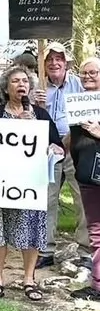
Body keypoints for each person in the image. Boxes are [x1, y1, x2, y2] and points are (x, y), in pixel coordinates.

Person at [0, 66, 63, 302]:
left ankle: (29, 279)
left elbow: (57, 146)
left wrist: (51, 147)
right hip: (0, 181)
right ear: (6, 88)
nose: (21, 85)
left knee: (32, 228)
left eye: (25, 81)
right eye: (16, 81)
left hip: (30, 181)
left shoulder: (39, 114)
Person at [35, 42, 90, 268]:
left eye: (59, 59)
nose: (54, 63)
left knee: (82, 197)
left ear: (66, 63)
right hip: (47, 148)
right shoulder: (37, 85)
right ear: (44, 64)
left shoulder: (79, 84)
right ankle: (45, 248)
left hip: (75, 145)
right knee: (47, 197)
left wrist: (71, 141)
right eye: (50, 59)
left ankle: (86, 250)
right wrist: (35, 105)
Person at [66, 56, 100, 301]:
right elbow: (74, 136)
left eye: (94, 73)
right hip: (86, 174)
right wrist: (59, 146)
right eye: (84, 73)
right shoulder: (79, 103)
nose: (88, 77)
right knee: (96, 232)